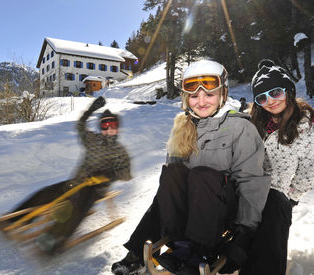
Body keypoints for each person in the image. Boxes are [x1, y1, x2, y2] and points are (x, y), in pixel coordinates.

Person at [111, 60, 270, 275]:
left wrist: (245, 232)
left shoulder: (239, 127)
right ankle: (168, 246)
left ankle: (198, 253)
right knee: (172, 174)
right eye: (194, 96)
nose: (201, 101)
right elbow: (170, 189)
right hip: (191, 208)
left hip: (224, 211)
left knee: (202, 175)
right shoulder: (183, 127)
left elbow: (252, 180)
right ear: (186, 99)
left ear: (223, 94)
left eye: (209, 94)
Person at [1, 96, 132, 254]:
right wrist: (90, 109)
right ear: (101, 128)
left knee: (76, 208)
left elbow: (126, 174)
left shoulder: (120, 151)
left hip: (95, 189)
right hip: (77, 182)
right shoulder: (92, 140)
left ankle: (54, 240)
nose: (109, 129)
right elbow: (80, 126)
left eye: (112, 125)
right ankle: (13, 220)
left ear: (117, 128)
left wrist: (111, 174)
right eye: (105, 125)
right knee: (45, 193)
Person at [240, 59, 314, 274]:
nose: (270, 101)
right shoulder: (250, 124)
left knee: (275, 204)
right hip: (242, 190)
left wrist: (290, 198)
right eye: (262, 97)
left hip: (273, 199)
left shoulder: (313, 138)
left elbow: (307, 176)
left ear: (289, 91)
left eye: (275, 93)